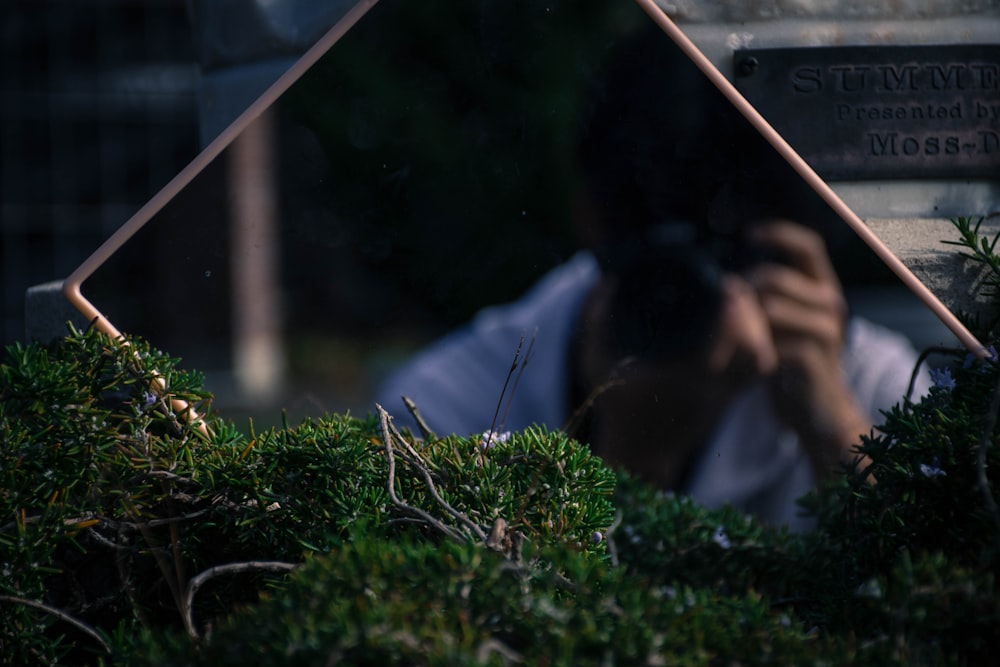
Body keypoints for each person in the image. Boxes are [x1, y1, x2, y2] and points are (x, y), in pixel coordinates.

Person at [376, 24, 928, 530]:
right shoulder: (442, 416)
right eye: (671, 260)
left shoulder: (876, 390)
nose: (711, 300)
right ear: (592, 221)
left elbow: (940, 602)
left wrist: (833, 422)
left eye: (730, 258)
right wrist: (636, 455)